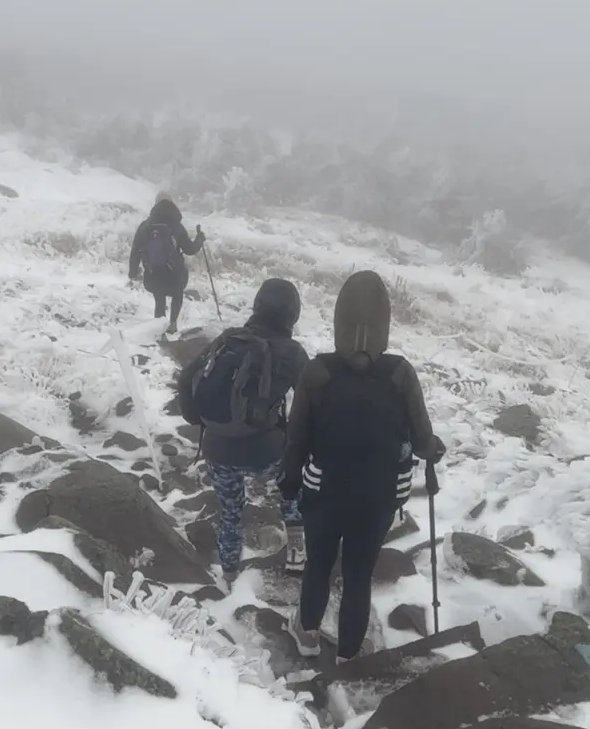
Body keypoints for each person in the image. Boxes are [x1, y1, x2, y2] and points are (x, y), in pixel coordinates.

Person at [278, 270, 445, 663]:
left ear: (338, 321)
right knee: (357, 573)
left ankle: (307, 635)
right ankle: (349, 655)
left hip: (324, 491)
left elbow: (297, 437)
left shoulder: (317, 371)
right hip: (380, 496)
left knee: (318, 563)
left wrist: (289, 482)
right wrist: (433, 449)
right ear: (385, 324)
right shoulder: (401, 373)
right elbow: (423, 442)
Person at [178, 278, 308, 576]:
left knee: (231, 512)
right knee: (292, 494)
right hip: (267, 452)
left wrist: (198, 420)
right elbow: (310, 406)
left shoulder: (229, 339)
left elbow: (187, 377)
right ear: (293, 314)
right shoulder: (293, 352)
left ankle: (229, 572)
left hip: (218, 448)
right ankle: (297, 557)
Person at [129, 191, 205, 334]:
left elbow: (135, 251)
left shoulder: (145, 226)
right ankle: (172, 324)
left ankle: (159, 326)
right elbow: (189, 249)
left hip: (152, 276)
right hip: (174, 276)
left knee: (159, 297)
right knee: (177, 294)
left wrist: (133, 272)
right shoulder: (176, 226)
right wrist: (200, 239)